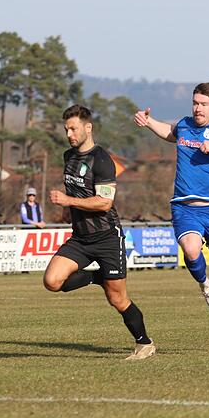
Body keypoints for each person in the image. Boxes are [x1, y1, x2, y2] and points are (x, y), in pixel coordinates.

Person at [133, 82, 209, 324]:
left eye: (204, 104)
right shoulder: (185, 125)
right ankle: (206, 286)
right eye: (195, 103)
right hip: (184, 205)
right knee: (190, 251)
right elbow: (171, 133)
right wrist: (148, 122)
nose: (198, 109)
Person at [43, 104, 155, 360]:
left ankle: (144, 343)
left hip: (107, 237)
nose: (69, 134)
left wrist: (67, 202)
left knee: (118, 299)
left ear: (88, 127)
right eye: (66, 129)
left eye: (74, 128)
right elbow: (75, 193)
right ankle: (97, 278)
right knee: (52, 281)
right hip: (80, 238)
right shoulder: (68, 157)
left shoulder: (103, 161)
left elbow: (104, 202)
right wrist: (66, 210)